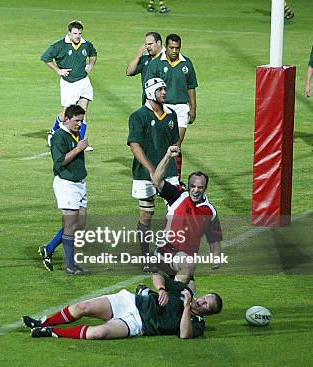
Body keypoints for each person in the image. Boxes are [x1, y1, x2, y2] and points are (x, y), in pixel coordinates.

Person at [22, 273, 222, 340]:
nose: (202, 302)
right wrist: (161, 288)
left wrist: (187, 307)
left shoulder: (197, 324)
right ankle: (42, 321)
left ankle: (51, 331)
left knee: (97, 334)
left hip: (137, 324)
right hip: (130, 301)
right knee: (83, 307)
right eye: (205, 298)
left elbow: (184, 335)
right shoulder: (183, 290)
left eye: (206, 305)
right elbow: (156, 273)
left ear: (208, 313)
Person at [147, 145, 223, 292]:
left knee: (190, 299)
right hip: (166, 251)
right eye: (193, 186)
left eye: (200, 187)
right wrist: (167, 156)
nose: (195, 190)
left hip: (184, 263)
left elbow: (214, 239)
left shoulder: (210, 212)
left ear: (205, 188)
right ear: (188, 186)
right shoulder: (178, 196)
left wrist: (216, 257)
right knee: (180, 291)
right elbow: (156, 179)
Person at [127, 78, 179, 267]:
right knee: (146, 215)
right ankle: (144, 256)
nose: (164, 92)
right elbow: (134, 145)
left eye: (165, 88)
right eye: (160, 90)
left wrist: (174, 152)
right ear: (150, 92)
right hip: (144, 174)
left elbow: (174, 142)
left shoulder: (171, 115)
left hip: (169, 172)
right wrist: (151, 169)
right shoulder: (138, 116)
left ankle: (168, 252)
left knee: (175, 213)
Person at [38, 105, 90, 275]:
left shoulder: (76, 133)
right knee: (70, 225)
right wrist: (78, 149)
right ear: (66, 119)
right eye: (77, 121)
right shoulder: (59, 137)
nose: (80, 124)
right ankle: (70, 266)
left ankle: (49, 248)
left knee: (79, 224)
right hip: (67, 184)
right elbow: (59, 162)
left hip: (79, 183)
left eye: (81, 121)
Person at [144, 33, 197, 179]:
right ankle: (158, 176)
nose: (174, 51)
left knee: (176, 144)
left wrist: (193, 108)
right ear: (166, 47)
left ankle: (175, 179)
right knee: (159, 144)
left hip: (181, 108)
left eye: (177, 48)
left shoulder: (186, 63)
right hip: (163, 107)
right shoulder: (156, 64)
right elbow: (149, 88)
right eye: (171, 47)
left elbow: (191, 87)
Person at [41, 20, 97, 151]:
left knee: (82, 111)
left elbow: (93, 54)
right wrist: (58, 70)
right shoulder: (60, 45)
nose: (78, 36)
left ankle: (81, 142)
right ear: (69, 33)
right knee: (67, 113)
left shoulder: (86, 44)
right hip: (69, 84)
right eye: (75, 33)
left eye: (80, 33)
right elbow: (46, 58)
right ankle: (53, 131)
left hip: (84, 81)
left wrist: (90, 65)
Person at [126, 32, 163, 105]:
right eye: (146, 44)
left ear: (158, 43)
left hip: (163, 101)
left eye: (150, 44)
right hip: (147, 102)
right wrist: (138, 55)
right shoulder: (146, 59)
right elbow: (129, 72)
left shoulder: (167, 58)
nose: (148, 47)